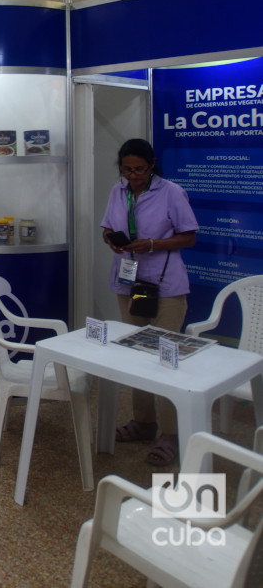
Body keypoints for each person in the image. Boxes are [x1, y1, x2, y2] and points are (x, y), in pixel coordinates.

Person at [101, 137, 198, 466]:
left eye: (139, 169)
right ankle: (143, 423)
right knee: (136, 358)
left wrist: (153, 244)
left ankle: (171, 435)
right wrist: (113, 242)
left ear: (152, 165)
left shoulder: (171, 192)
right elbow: (106, 228)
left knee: (165, 359)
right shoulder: (119, 191)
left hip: (165, 286)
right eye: (127, 170)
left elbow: (190, 236)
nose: (133, 176)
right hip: (128, 284)